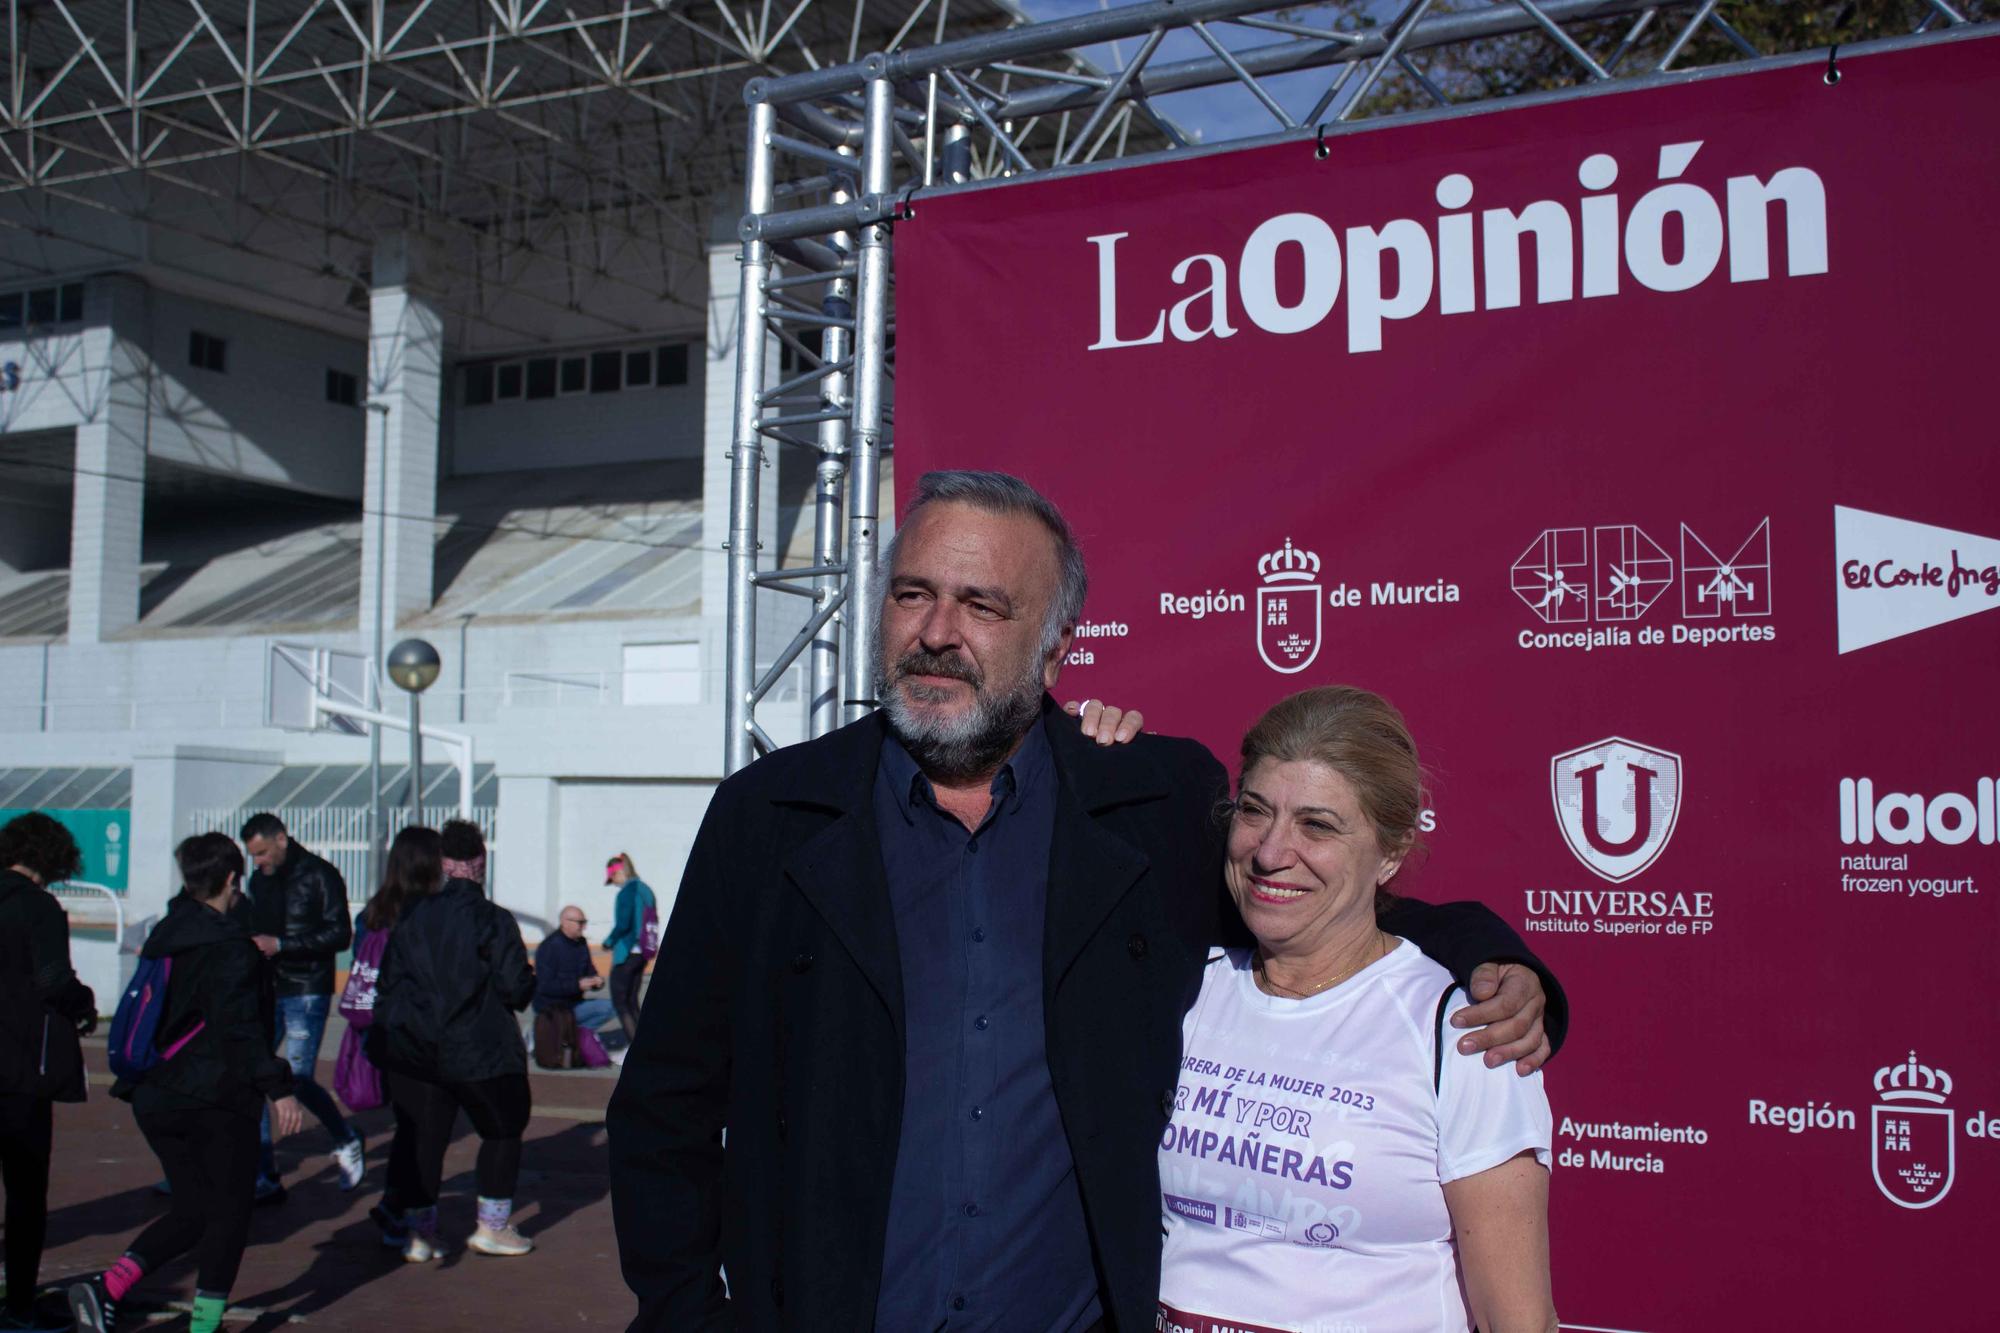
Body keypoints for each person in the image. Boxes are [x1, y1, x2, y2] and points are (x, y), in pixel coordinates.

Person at [607, 470, 1565, 1331]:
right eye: (913, 595)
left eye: (982, 604)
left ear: (1057, 647)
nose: (937, 632)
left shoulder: (1148, 803)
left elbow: (1305, 901)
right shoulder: (770, 816)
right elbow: (665, 1109)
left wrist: (1494, 959)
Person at [1159, 686, 1555, 1333]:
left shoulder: (1463, 1033)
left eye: (1317, 825)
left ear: (1392, 851)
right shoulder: (1184, 987)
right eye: (1255, 811)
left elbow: (1519, 1319)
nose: (1270, 852)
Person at [69, 833, 303, 1333]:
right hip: (214, 1095)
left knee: (194, 1207)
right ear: (233, 880)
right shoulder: (231, 949)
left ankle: (106, 1287)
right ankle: (204, 1325)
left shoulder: (166, 933)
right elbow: (239, 1027)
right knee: (230, 1212)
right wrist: (277, 1087)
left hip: (154, 1093)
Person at [367, 820, 538, 1260]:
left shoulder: (413, 916)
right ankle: (492, 1226)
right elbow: (516, 988)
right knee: (502, 1130)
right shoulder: (493, 920)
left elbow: (390, 983)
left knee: (427, 1138)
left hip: (421, 1049)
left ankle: (421, 1232)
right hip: (483, 1048)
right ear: (480, 863)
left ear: (444, 864)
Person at [0, 814, 97, 1333]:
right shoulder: (39, 908)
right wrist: (83, 1005)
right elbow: (54, 980)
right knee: (24, 1191)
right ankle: (18, 1307)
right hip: (17, 1066)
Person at [235, 812, 362, 1202]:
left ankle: (345, 1138)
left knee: (298, 1077)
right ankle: (264, 1174)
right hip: (268, 985)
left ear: (281, 839)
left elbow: (340, 933)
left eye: (261, 852)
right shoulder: (259, 880)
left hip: (306, 986)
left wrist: (284, 945)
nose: (257, 862)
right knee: (256, 1074)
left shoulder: (320, 874)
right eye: (252, 855)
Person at [349, 828, 427, 1253]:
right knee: (419, 1128)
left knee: (409, 1124)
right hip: (416, 1035)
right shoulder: (425, 914)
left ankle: (397, 1204)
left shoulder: (373, 912)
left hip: (381, 1032)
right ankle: (401, 1207)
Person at [534, 905, 617, 1050]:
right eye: (580, 923)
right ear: (565, 922)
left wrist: (597, 981)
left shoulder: (581, 943)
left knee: (613, 1007)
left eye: (584, 922)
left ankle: (572, 1036)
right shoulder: (549, 947)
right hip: (552, 1007)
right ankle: (549, 1032)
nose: (583, 927)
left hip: (574, 1003)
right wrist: (577, 985)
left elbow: (590, 969)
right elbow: (544, 986)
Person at [600, 854, 655, 1047]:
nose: (614, 883)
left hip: (627, 952)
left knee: (620, 1003)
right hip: (644, 952)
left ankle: (636, 1049)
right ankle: (645, 1045)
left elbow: (623, 924)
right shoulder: (646, 890)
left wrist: (608, 942)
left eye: (613, 878)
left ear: (619, 872)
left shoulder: (626, 892)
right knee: (632, 1001)